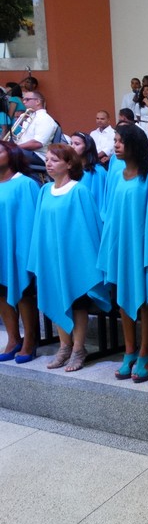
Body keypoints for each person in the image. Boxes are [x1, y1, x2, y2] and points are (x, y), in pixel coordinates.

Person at [28, 144, 111, 372]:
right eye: (47, 159)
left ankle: (78, 348)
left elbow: (89, 226)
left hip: (75, 259)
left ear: (69, 164)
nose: (48, 163)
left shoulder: (79, 190)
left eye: (55, 160)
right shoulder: (45, 190)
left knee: (78, 303)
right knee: (55, 297)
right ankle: (64, 347)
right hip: (51, 258)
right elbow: (39, 226)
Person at [97, 124, 148, 383]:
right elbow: (110, 213)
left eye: (120, 141)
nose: (115, 145)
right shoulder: (115, 174)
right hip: (120, 247)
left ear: (134, 145)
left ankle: (145, 353)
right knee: (122, 300)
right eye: (115, 140)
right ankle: (129, 351)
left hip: (142, 248)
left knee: (145, 301)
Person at [0, 141, 39, 364]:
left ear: (12, 154)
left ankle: (30, 340)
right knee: (0, 292)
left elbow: (31, 219)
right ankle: (13, 338)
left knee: (23, 292)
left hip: (18, 247)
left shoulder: (25, 184)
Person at [15, 90, 57, 168]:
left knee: (6, 154)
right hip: (26, 151)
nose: (24, 102)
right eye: (23, 99)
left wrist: (15, 147)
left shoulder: (44, 118)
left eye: (27, 99)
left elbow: (37, 143)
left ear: (38, 101)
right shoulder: (31, 117)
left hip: (38, 155)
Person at [70, 131, 107, 211]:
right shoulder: (69, 170)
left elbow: (99, 201)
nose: (72, 147)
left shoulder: (97, 171)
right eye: (71, 143)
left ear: (87, 147)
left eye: (77, 144)